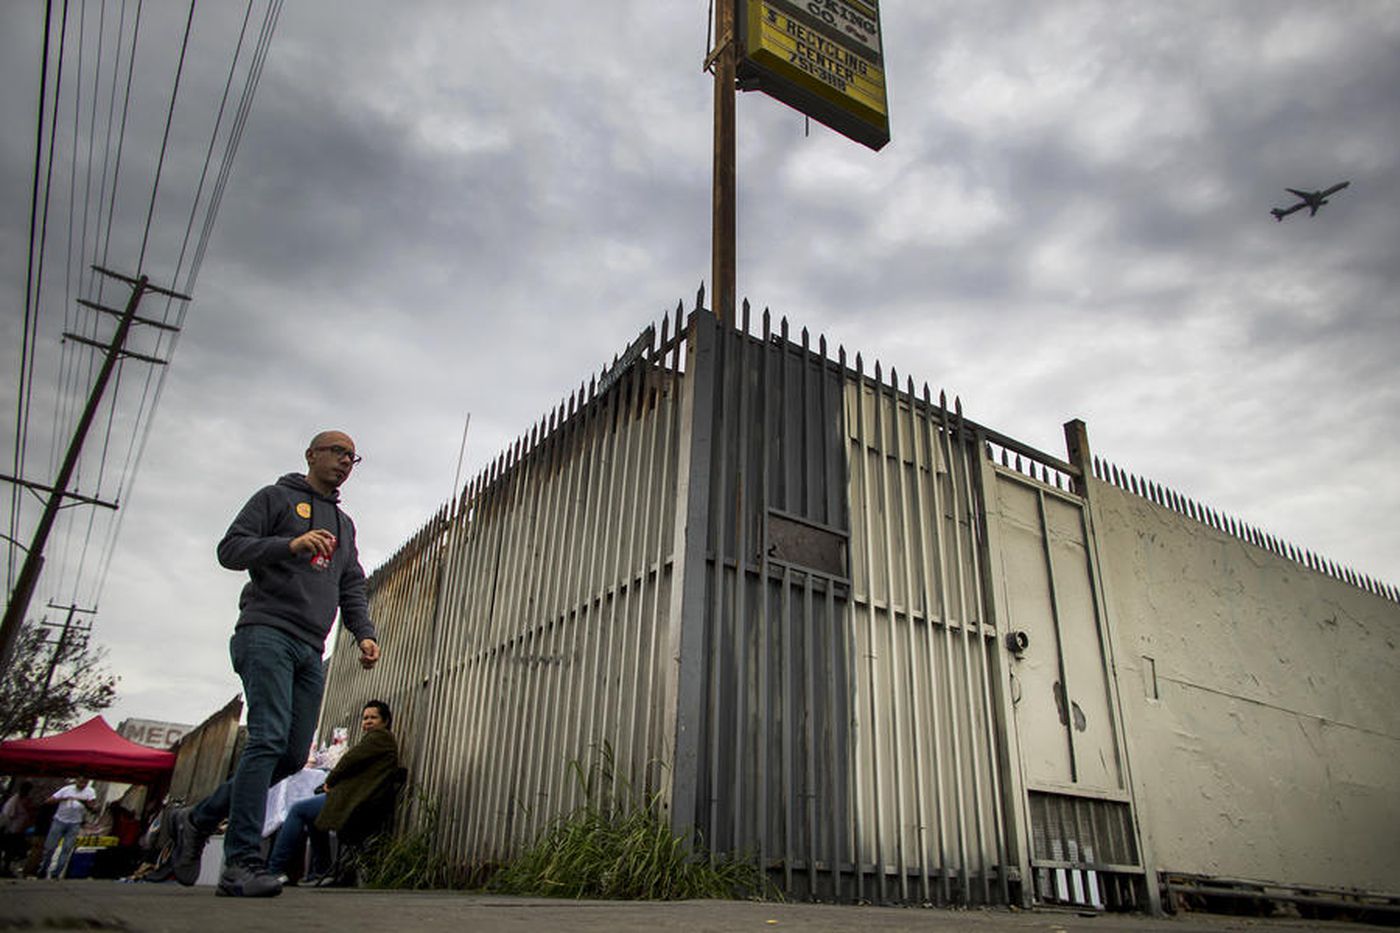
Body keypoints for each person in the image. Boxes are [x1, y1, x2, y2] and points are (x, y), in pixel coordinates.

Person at [170, 430, 381, 897]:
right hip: (265, 632)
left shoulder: (344, 526)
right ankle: (241, 864)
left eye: (352, 456)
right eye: (336, 452)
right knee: (265, 739)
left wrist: (364, 634)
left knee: (288, 756)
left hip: (310, 647)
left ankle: (197, 819)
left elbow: (351, 584)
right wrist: (289, 545)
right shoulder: (275, 498)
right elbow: (231, 550)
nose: (345, 461)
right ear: (311, 455)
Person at [267, 699, 398, 884]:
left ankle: (274, 869)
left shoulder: (380, 737)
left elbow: (348, 760)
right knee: (314, 816)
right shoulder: (378, 741)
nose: (367, 721)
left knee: (298, 810)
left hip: (356, 806)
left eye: (373, 718)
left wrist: (330, 781)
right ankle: (321, 872)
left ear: (385, 721)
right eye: (365, 718)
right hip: (361, 804)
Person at [39, 776, 96, 879]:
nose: (83, 784)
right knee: (50, 847)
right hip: (59, 820)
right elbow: (49, 801)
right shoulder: (67, 789)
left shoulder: (90, 791)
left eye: (85, 782)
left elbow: (93, 806)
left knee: (66, 848)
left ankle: (56, 873)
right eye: (81, 781)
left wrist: (84, 802)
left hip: (75, 823)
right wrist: (64, 798)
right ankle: (44, 868)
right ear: (77, 781)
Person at [1, 780, 35, 875]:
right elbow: (8, 814)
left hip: (18, 829)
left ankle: (8, 867)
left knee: (15, 850)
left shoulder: (23, 799)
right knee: (10, 850)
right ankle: (6, 867)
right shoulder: (14, 800)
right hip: (12, 830)